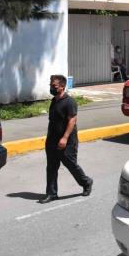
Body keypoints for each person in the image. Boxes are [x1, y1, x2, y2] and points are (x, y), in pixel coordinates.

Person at [41, 75, 93, 203]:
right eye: (51, 85)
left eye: (54, 86)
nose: (51, 88)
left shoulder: (69, 102)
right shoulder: (54, 101)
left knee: (70, 164)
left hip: (67, 140)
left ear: (62, 86)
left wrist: (64, 138)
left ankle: (86, 182)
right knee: (51, 167)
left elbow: (72, 120)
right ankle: (52, 193)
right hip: (52, 140)